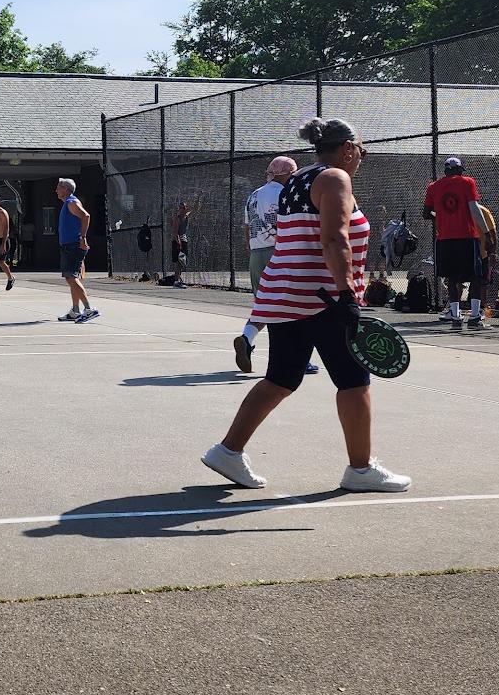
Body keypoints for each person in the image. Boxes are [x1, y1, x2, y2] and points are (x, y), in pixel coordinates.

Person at [201, 117, 410, 494]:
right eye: (361, 149)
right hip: (321, 297)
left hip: (284, 294)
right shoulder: (335, 179)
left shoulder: (297, 180)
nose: (361, 157)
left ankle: (227, 451)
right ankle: (360, 470)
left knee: (281, 378)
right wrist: (347, 295)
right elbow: (334, 238)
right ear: (347, 148)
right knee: (354, 381)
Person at [237, 156, 317, 375]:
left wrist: (253, 250)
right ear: (284, 174)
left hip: (256, 254)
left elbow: (246, 228)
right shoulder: (286, 193)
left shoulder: (253, 196)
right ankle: (296, 358)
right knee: (297, 306)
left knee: (265, 305)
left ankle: (246, 338)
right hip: (280, 252)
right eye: (292, 175)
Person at [424, 157, 484, 325]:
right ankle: (474, 316)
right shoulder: (467, 182)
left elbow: (426, 213)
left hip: (445, 239)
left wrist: (440, 216)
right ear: (459, 170)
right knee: (475, 276)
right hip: (467, 237)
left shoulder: (433, 187)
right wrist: (486, 231)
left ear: (445, 171)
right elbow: (474, 208)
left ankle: (455, 314)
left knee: (451, 277)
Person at [56, 178, 96, 322]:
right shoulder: (68, 203)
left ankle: (89, 309)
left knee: (71, 277)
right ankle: (75, 310)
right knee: (72, 278)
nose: (56, 190)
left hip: (73, 246)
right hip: (69, 246)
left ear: (66, 189)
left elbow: (86, 216)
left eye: (59, 188)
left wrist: (83, 237)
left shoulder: (71, 202)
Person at [465, 201, 496, 329]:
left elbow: (493, 233)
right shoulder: (458, 212)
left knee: (480, 282)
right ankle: (453, 310)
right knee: (455, 281)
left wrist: (493, 253)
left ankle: (479, 311)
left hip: (480, 253)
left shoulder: (483, 211)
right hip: (462, 252)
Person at [170, 197, 198, 287]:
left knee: (183, 261)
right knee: (179, 261)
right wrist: (179, 243)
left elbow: (194, 210)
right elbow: (175, 232)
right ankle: (176, 281)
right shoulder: (177, 219)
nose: (183, 209)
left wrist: (198, 199)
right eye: (181, 207)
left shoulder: (186, 217)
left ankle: (179, 279)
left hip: (184, 241)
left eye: (184, 207)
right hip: (178, 242)